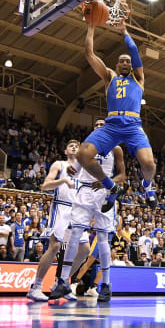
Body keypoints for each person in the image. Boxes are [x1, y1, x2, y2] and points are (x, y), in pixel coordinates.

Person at [79, 21, 156, 211]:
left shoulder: (138, 78)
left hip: (132, 126)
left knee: (148, 164)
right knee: (82, 154)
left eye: (127, 61)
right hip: (111, 125)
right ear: (116, 64)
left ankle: (147, 186)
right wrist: (91, 27)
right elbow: (89, 54)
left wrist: (125, 32)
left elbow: (135, 52)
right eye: (121, 60)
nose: (125, 63)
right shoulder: (109, 77)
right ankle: (110, 186)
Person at [50, 119, 126, 303]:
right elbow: (73, 169)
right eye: (96, 125)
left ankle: (106, 285)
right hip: (84, 191)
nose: (99, 126)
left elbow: (122, 175)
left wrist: (105, 181)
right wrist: (71, 169)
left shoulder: (116, 148)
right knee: (75, 233)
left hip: (103, 192)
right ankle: (63, 281)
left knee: (102, 239)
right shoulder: (85, 147)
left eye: (102, 124)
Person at [27, 140, 91, 302]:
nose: (74, 147)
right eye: (71, 145)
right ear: (65, 150)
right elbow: (45, 185)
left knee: (84, 250)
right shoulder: (59, 164)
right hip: (61, 207)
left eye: (77, 146)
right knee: (55, 245)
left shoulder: (84, 169)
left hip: (77, 210)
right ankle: (36, 287)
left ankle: (61, 283)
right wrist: (63, 181)